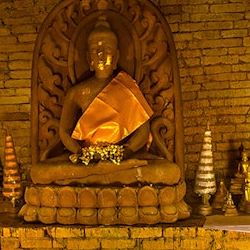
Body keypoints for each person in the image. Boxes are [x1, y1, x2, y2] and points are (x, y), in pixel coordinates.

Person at [30, 16, 180, 186]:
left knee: (170, 172)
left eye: (107, 49)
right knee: (38, 172)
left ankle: (98, 177)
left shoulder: (127, 88)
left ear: (116, 57)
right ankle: (103, 176)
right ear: (89, 58)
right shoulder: (77, 93)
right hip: (87, 159)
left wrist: (124, 152)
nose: (101, 55)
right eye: (95, 50)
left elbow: (143, 133)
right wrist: (81, 153)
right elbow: (64, 131)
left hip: (121, 158)